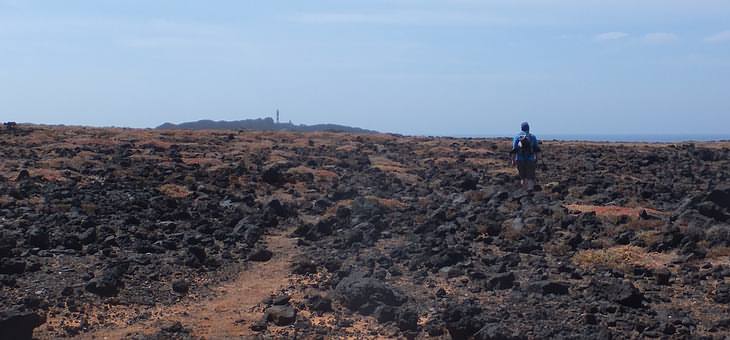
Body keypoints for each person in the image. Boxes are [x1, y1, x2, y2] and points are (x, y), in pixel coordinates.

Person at [511, 122, 540, 189]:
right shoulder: (532, 137)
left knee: (523, 178)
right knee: (530, 178)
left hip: (519, 159)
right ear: (528, 128)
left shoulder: (517, 137)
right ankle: (530, 192)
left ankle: (524, 192)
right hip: (530, 159)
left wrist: (513, 160)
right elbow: (537, 150)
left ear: (521, 128)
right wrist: (537, 159)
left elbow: (514, 150)